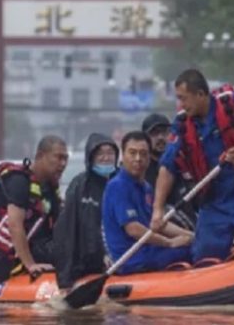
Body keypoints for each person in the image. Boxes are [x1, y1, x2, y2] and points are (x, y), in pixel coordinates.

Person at [151, 69, 234, 264]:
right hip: (213, 202)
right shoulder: (182, 124)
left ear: (201, 95)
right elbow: (167, 167)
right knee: (205, 257)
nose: (181, 105)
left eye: (183, 98)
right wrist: (158, 209)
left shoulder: (231, 103)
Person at [0, 135, 67, 282]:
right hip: (4, 254)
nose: (63, 164)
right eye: (58, 157)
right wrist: (31, 265)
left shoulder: (50, 188)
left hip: (37, 244)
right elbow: (15, 225)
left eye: (65, 159)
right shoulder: (19, 182)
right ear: (40, 156)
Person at [102, 131, 193, 274]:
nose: (138, 159)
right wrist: (170, 243)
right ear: (123, 155)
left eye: (143, 154)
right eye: (132, 153)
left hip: (149, 251)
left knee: (195, 243)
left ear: (149, 158)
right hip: (131, 259)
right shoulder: (118, 186)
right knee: (191, 251)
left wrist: (190, 235)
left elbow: (158, 223)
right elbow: (134, 229)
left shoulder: (146, 187)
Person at [54, 133, 119, 289]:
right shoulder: (80, 185)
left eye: (110, 153)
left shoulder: (121, 182)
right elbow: (67, 229)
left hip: (118, 256)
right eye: (100, 154)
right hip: (86, 262)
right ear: (91, 157)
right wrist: (65, 277)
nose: (106, 158)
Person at [142, 113, 197, 230]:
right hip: (163, 234)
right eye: (154, 133)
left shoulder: (183, 164)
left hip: (193, 230)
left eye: (165, 132)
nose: (161, 137)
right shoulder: (141, 171)